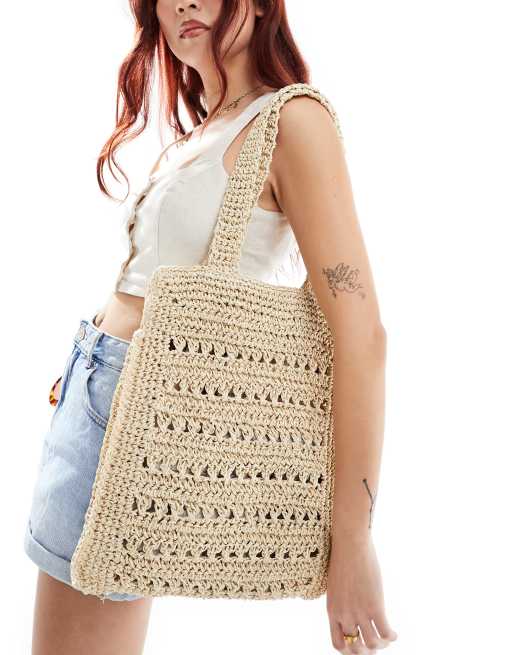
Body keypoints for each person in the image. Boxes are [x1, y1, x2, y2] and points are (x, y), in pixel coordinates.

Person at [24, 1, 398, 653]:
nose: (185, 3)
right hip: (91, 405)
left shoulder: (292, 120)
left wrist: (353, 540)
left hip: (148, 422)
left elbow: (361, 334)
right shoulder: (201, 132)